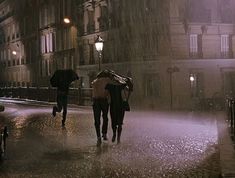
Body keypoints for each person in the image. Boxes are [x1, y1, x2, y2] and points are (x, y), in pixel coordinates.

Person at [91, 76, 111, 146]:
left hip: (96, 100)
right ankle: (104, 133)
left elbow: (93, 85)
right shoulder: (108, 80)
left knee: (97, 119)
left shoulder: (95, 81)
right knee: (105, 117)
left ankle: (98, 136)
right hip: (104, 100)